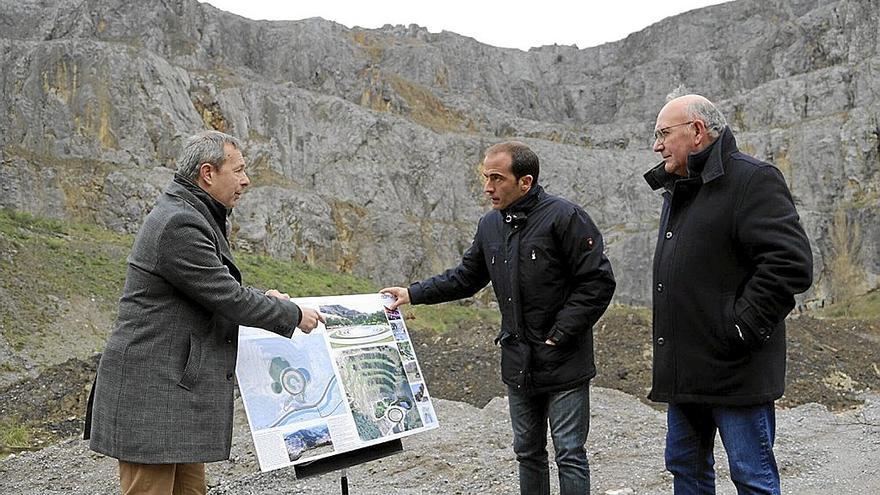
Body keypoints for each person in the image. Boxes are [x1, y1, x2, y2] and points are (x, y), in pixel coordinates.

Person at [85, 130, 324, 494]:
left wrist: (268, 298)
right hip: (152, 394)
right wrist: (290, 314)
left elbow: (209, 286)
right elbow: (226, 296)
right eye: (239, 170)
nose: (246, 180)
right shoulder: (179, 222)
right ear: (208, 173)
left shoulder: (194, 212)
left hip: (173, 391)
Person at [382, 141, 616, 495]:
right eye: (485, 177)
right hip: (519, 362)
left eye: (496, 178)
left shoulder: (565, 217)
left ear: (525, 182)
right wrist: (413, 293)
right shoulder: (490, 225)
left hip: (565, 360)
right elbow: (466, 278)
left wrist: (561, 334)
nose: (488, 187)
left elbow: (597, 282)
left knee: (569, 453)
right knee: (527, 453)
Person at [644, 93, 813, 493]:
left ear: (698, 131)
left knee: (751, 477)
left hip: (735, 370)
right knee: (686, 471)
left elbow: (790, 264)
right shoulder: (681, 188)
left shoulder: (753, 179)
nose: (657, 145)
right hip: (686, 371)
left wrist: (739, 327)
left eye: (664, 133)